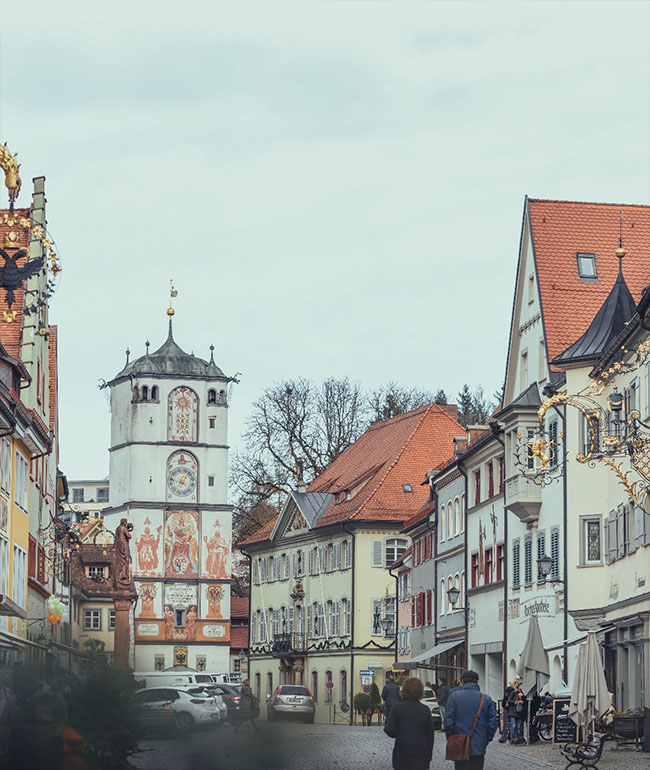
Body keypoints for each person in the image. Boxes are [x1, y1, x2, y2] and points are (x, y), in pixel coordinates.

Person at [444, 670, 497, 770]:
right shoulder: (486, 699)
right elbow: (492, 723)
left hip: (459, 744)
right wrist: (486, 739)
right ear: (477, 681)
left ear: (462, 681)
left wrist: (451, 738)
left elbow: (448, 722)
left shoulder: (454, 698)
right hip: (479, 744)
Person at [384, 677, 434, 770]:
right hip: (420, 752)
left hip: (402, 751)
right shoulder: (424, 709)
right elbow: (430, 734)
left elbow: (391, 730)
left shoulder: (397, 708)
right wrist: (428, 755)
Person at [507, 679, 525, 744]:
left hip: (519, 711)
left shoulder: (521, 692)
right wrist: (515, 702)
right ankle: (512, 738)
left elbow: (524, 700)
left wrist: (521, 700)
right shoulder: (513, 692)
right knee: (513, 725)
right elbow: (509, 700)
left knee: (519, 726)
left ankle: (517, 738)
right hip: (513, 711)